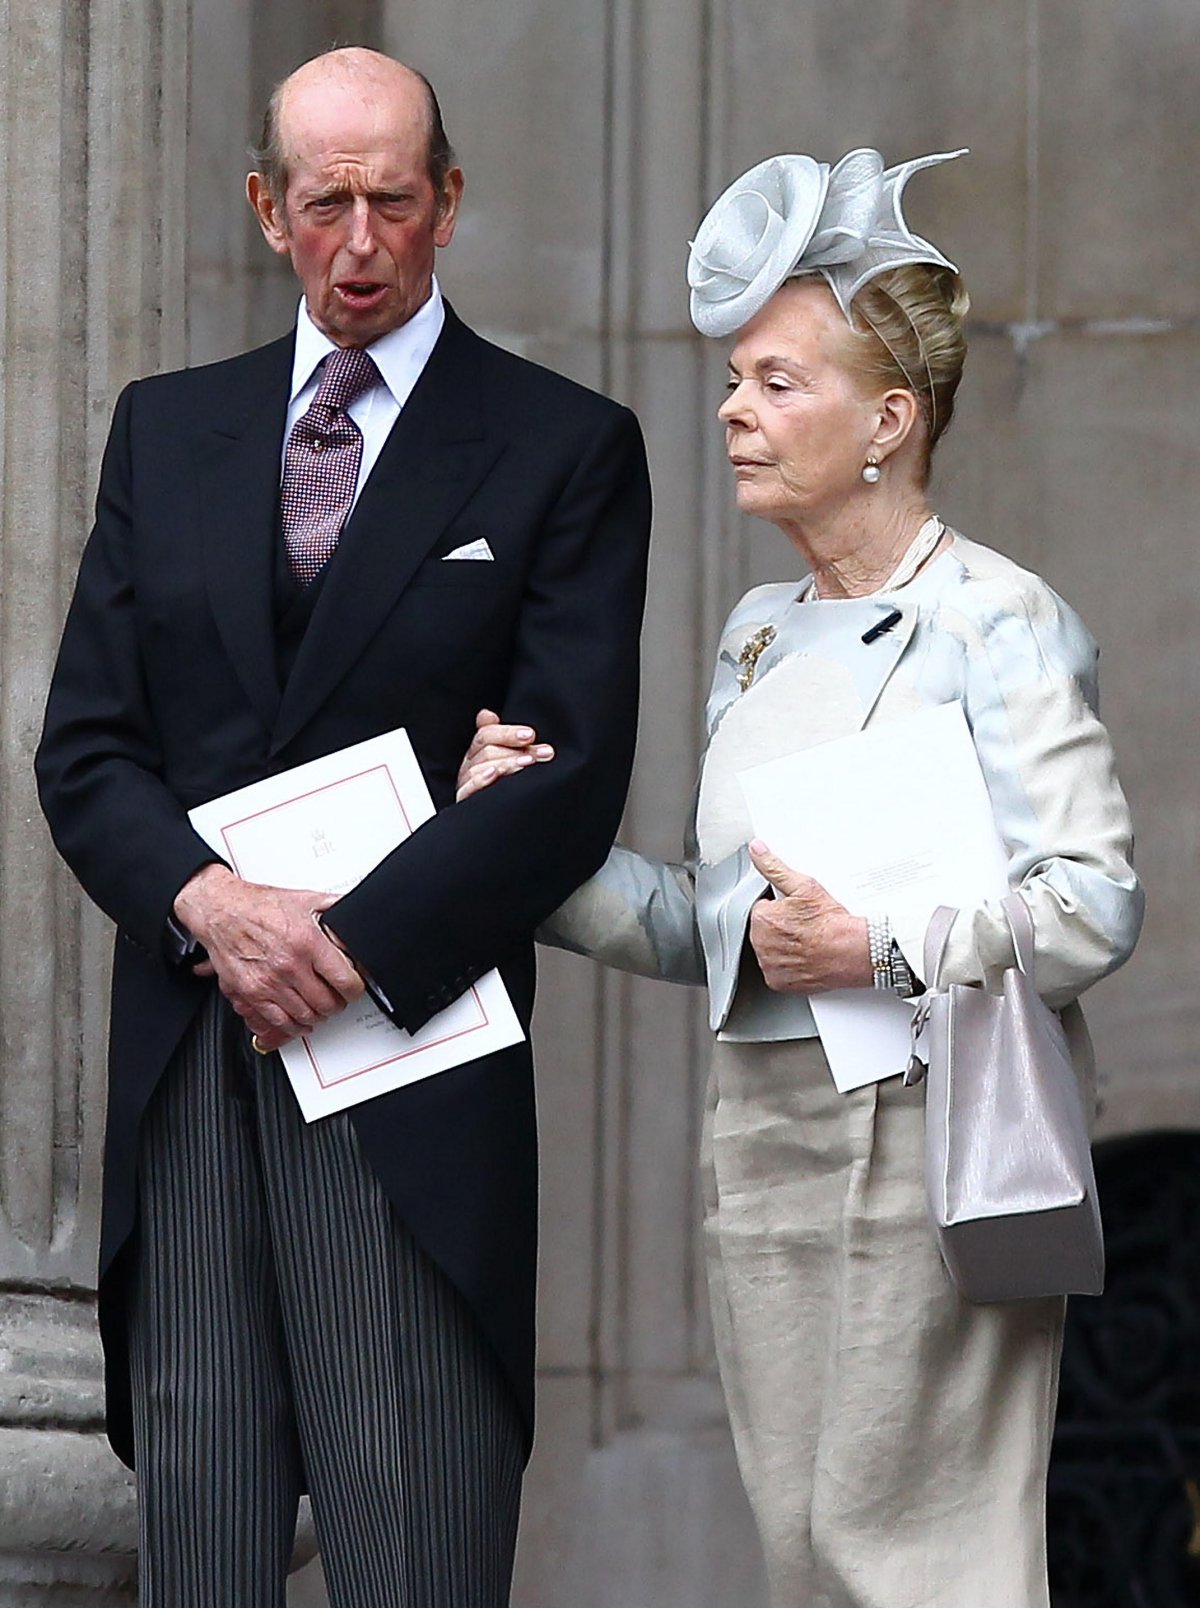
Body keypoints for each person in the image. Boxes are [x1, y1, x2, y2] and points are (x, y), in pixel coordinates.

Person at [456, 148, 1143, 1606]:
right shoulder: (759, 633)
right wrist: (508, 841)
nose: (733, 411)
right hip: (763, 1141)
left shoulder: (998, 618)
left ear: (889, 419)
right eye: (734, 380)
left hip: (938, 1140)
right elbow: (722, 928)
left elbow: (1091, 903)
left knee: (921, 1568)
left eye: (778, 382)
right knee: (810, 1560)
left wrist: (883, 947)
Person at [35, 46, 651, 1608]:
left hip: (411, 1066)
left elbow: (569, 773)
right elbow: (89, 748)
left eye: (393, 200)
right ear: (266, 209)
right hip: (193, 1065)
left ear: (450, 203)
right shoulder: (167, 432)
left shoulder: (562, 444)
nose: (360, 241)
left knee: (414, 1558)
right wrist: (209, 906)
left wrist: (340, 944)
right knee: (202, 1556)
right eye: (326, 204)